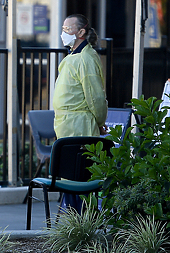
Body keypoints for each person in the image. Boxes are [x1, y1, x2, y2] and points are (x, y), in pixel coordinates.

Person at [53, 13, 108, 213]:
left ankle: (81, 220)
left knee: (78, 177)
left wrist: (100, 121)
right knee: (71, 175)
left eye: (68, 29)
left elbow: (95, 97)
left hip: (79, 125)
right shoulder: (75, 56)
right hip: (69, 125)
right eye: (63, 28)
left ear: (81, 32)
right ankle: (75, 221)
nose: (64, 33)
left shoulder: (86, 58)